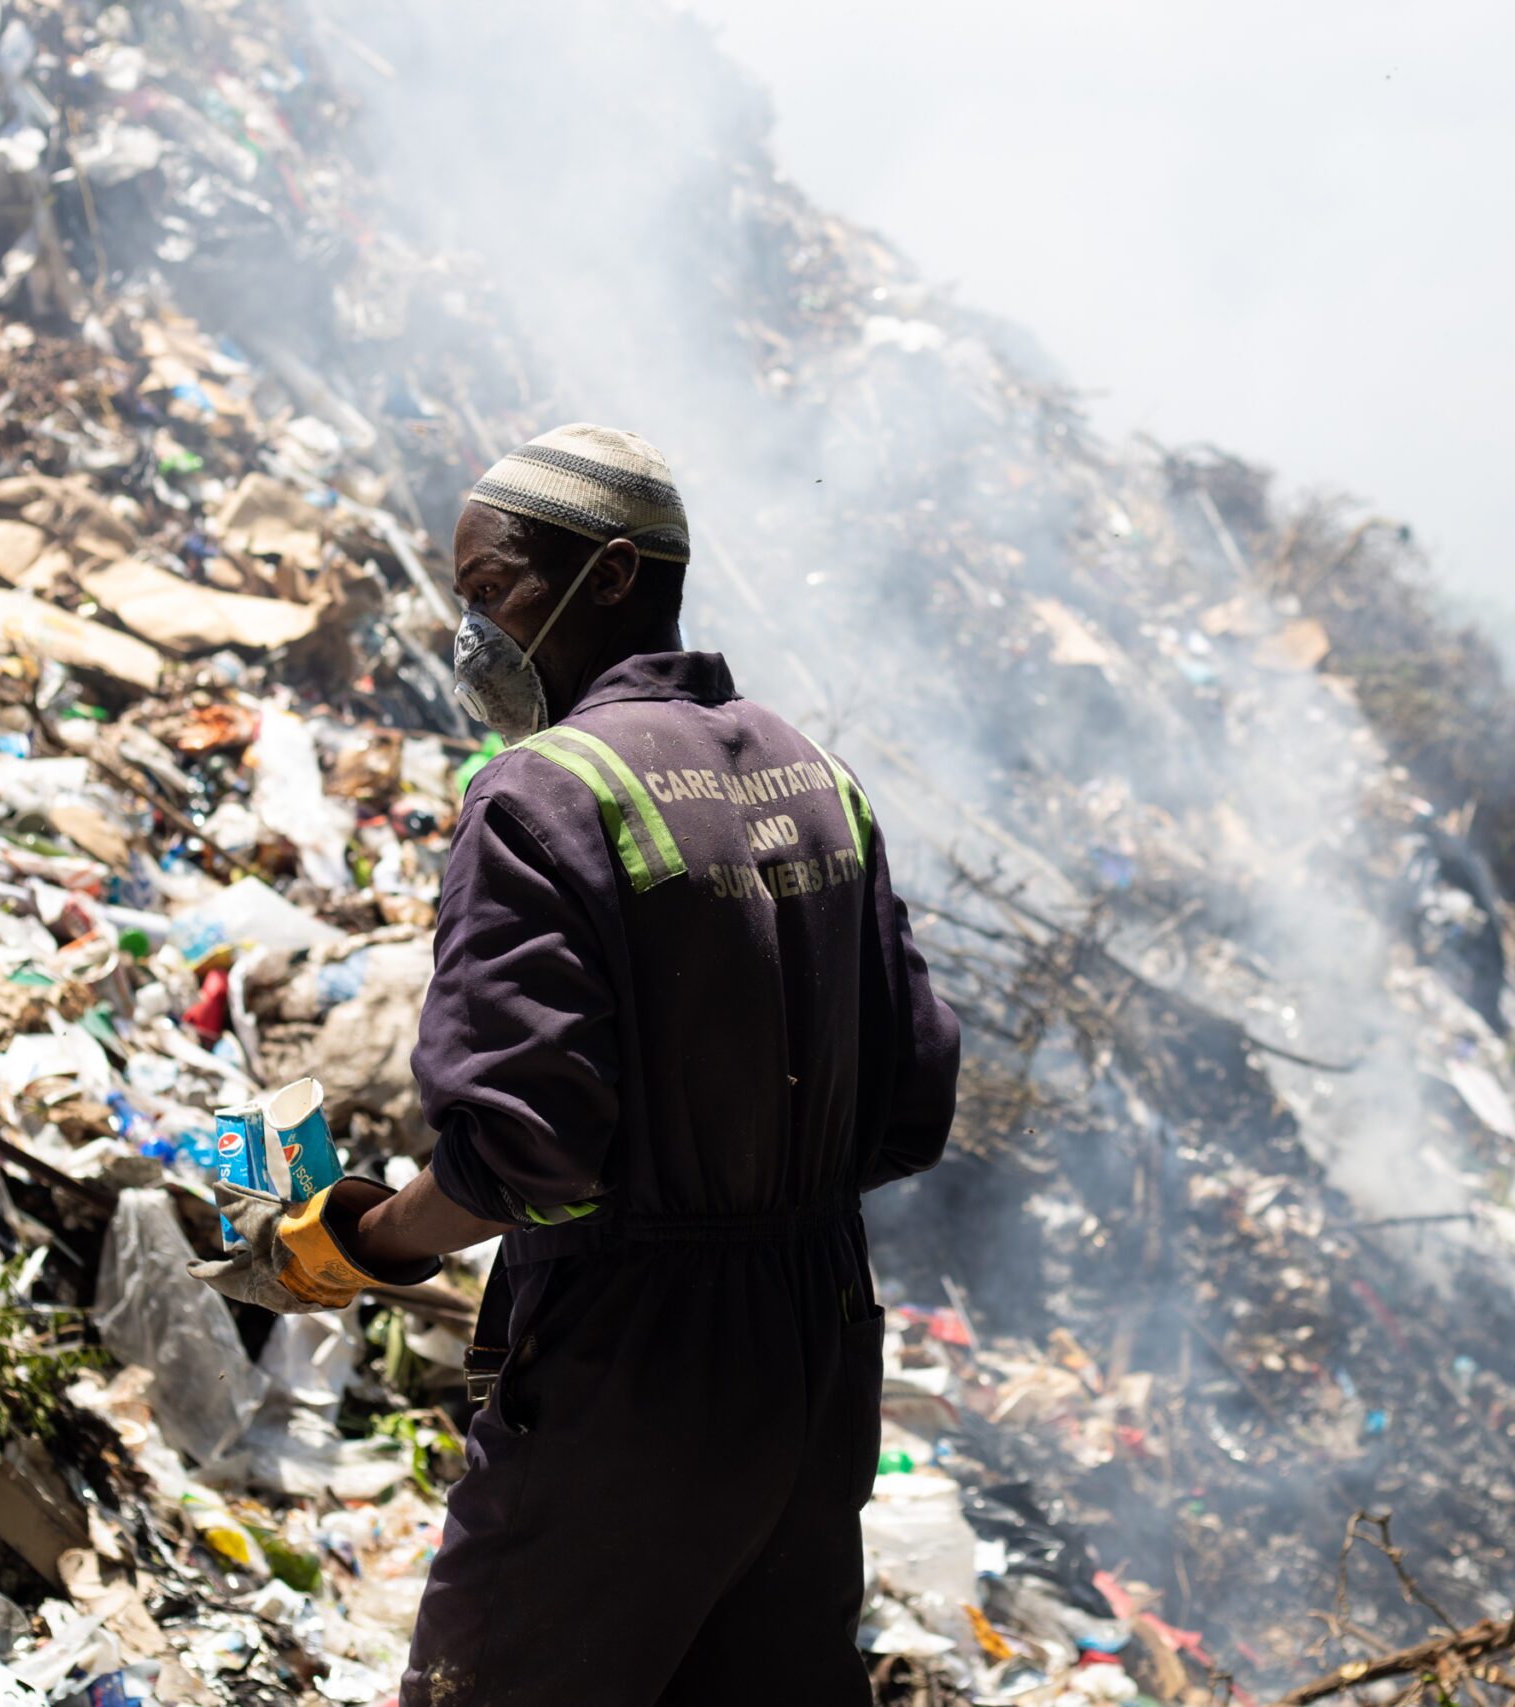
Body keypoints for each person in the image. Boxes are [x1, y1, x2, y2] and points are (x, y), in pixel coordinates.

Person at [192, 423, 960, 1705]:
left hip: (631, 1368)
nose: (473, 631)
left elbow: (524, 1156)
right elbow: (913, 1097)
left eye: (493, 589)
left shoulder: (542, 796)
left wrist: (361, 1242)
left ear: (609, 576)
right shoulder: (817, 777)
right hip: (819, 1351)